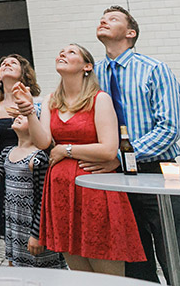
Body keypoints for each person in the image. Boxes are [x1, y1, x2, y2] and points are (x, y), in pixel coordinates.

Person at [95, 6, 180, 286]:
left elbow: (168, 130)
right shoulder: (93, 75)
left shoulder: (155, 70)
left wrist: (120, 156)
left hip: (158, 171)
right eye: (102, 18)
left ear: (130, 33)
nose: (104, 20)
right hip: (115, 176)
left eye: (113, 18)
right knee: (134, 257)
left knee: (177, 253)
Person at [29, 43, 145, 274]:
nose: (62, 53)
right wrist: (28, 112)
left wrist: (66, 150)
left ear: (87, 66)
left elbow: (109, 149)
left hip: (95, 191)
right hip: (61, 192)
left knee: (106, 271)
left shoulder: (99, 99)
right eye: (60, 50)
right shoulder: (51, 100)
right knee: (80, 275)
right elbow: (43, 142)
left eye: (71, 52)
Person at [0, 117, 64, 268]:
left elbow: (44, 199)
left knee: (40, 273)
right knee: (15, 271)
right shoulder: (7, 152)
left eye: (25, 116)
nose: (18, 117)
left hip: (33, 228)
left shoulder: (39, 157)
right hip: (14, 228)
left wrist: (37, 234)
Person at [0, 52, 42, 240]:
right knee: (10, 231)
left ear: (23, 73)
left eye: (13, 63)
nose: (6, 64)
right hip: (3, 168)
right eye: (3, 64)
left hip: (32, 168)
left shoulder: (37, 101)